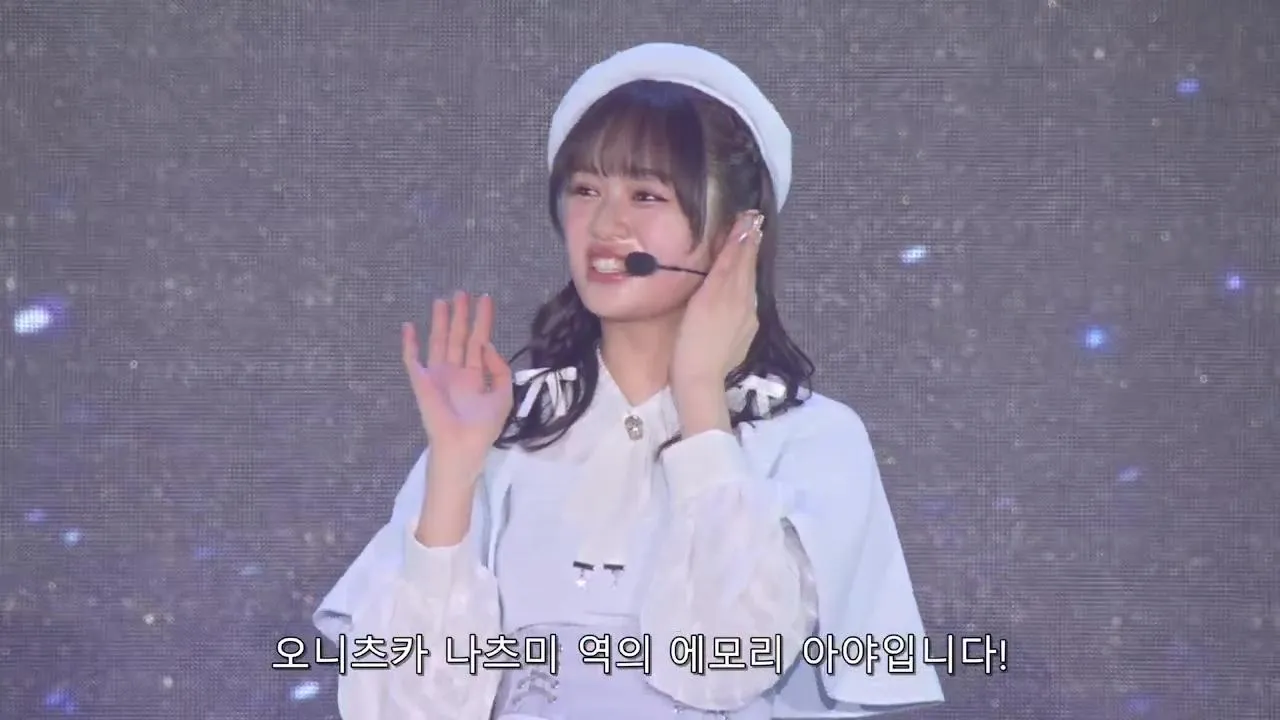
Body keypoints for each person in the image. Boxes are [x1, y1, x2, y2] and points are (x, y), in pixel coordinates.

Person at [313, 43, 944, 719]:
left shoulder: (812, 439)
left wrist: (700, 398)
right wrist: (453, 471)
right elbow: (404, 709)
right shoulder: (508, 426)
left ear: (740, 230)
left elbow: (721, 666)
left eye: (647, 195)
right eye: (585, 190)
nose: (606, 225)